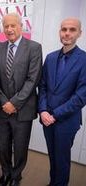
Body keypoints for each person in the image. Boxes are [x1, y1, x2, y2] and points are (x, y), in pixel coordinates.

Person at [0, 13, 42, 186]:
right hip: (1, 108)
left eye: (13, 25)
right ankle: (6, 172)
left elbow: (33, 79)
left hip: (23, 109)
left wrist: (14, 103)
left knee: (20, 147)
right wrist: (4, 102)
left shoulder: (34, 48)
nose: (9, 29)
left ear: (21, 26)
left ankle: (16, 176)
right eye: (6, 26)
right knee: (3, 145)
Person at [38, 18, 86, 186]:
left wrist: (54, 114)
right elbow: (42, 86)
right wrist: (43, 110)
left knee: (62, 158)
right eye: (64, 29)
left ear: (79, 33)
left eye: (72, 30)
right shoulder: (50, 58)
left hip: (66, 121)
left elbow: (81, 96)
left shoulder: (84, 60)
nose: (67, 33)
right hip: (47, 119)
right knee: (52, 155)